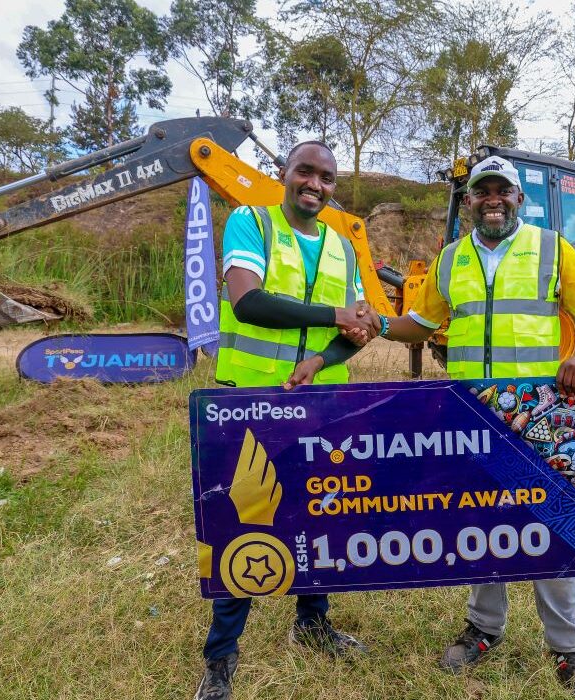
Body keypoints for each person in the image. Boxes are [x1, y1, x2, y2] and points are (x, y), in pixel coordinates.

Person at [289, 155, 575, 700]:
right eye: (481, 192)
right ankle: (484, 630)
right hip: (473, 416)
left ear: (518, 199)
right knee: (484, 527)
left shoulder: (552, 249)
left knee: (552, 526)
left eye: (501, 191)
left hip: (541, 415)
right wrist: (378, 324)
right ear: (468, 203)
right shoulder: (448, 261)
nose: (492, 199)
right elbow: (420, 324)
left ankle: (567, 649)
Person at [196, 140, 379, 700]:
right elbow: (246, 301)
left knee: (319, 516)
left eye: (326, 178)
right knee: (244, 522)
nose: (315, 185)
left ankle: (312, 622)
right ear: (285, 173)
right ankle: (221, 658)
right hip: (251, 404)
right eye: (306, 171)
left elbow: (356, 330)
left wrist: (326, 354)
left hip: (323, 405)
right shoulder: (251, 222)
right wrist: (335, 315)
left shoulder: (342, 248)